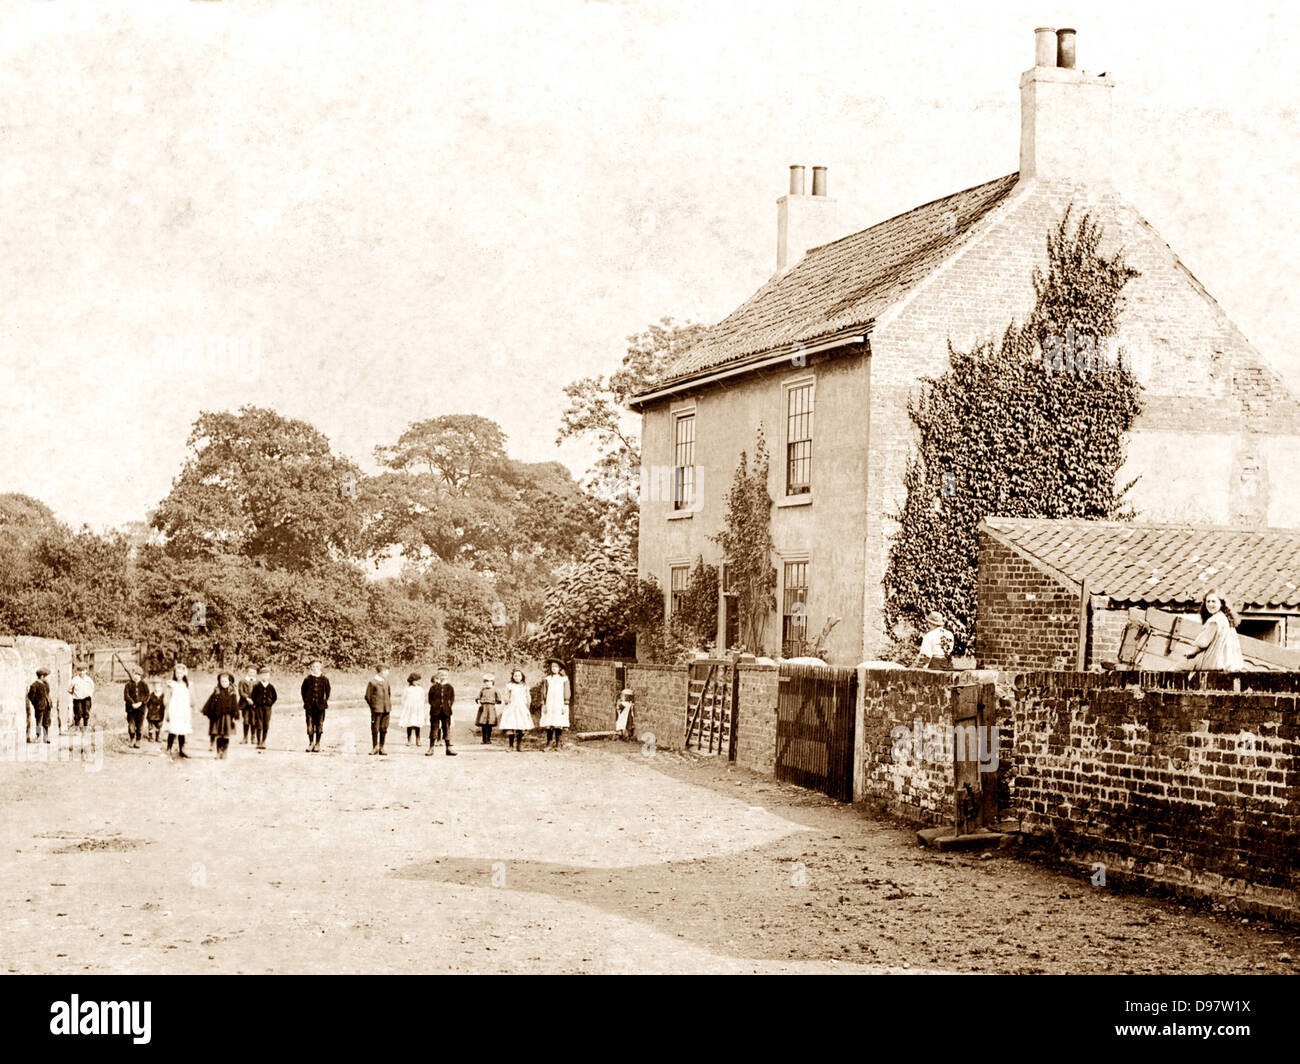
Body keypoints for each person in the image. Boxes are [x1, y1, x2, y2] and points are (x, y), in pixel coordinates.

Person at [1185, 591, 1245, 671]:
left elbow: (1203, 643)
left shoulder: (1214, 620)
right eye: (1208, 601)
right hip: (1225, 662)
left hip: (1214, 662)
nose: (1210, 604)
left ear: (1221, 604)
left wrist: (1191, 652)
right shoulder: (1226, 619)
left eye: (1213, 601)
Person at [201, 672, 240, 759]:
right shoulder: (217, 691)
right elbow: (211, 702)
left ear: (229, 682)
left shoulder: (232, 693)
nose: (224, 683)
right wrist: (208, 711)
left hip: (227, 717)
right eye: (222, 681)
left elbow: (235, 705)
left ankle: (225, 752)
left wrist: (236, 714)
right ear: (219, 682)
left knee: (226, 735)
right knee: (219, 735)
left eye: (226, 681)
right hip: (218, 717)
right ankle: (219, 752)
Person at [539, 659, 571, 750]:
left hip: (559, 704)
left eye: (556, 667)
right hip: (549, 703)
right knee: (549, 723)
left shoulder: (564, 679)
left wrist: (565, 704)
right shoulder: (547, 679)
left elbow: (567, 691)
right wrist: (544, 704)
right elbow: (544, 692)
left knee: (558, 722)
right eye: (552, 667)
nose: (554, 668)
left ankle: (558, 744)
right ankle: (548, 743)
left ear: (559, 668)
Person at [163, 663, 193, 759]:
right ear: (174, 674)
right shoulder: (171, 684)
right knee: (173, 729)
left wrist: (192, 706)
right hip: (174, 709)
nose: (179, 675)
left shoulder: (187, 685)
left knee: (182, 730)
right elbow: (167, 697)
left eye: (181, 673)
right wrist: (167, 708)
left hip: (183, 709)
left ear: (184, 674)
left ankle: (182, 749)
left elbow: (190, 697)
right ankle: (169, 748)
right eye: (177, 673)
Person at [301, 660, 331, 753]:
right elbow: (303, 691)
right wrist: (306, 701)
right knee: (310, 724)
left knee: (319, 725)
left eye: (317, 667)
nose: (315, 669)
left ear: (320, 668)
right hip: (310, 706)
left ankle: (318, 743)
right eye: (313, 667)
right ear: (311, 668)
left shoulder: (324, 679)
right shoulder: (307, 679)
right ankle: (311, 743)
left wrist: (324, 701)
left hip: (320, 706)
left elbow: (328, 691)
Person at [499, 668, 533, 751]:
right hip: (512, 707)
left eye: (519, 675)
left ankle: (519, 745)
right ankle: (510, 746)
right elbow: (506, 695)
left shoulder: (525, 686)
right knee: (511, 726)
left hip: (522, 707)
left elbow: (528, 696)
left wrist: (528, 703)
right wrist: (506, 700)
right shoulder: (509, 685)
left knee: (521, 727)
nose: (517, 677)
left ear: (522, 677)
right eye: (515, 676)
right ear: (513, 677)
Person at [426, 668, 457, 757]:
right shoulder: (433, 687)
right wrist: (435, 705)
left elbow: (452, 699)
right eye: (441, 675)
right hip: (435, 712)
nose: (443, 676)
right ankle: (431, 748)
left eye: (445, 675)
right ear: (438, 676)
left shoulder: (450, 687)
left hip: (446, 712)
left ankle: (448, 748)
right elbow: (430, 699)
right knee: (434, 729)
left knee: (446, 729)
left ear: (447, 676)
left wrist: (448, 706)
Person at [365, 666, 392, 756]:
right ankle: (374, 747)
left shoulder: (386, 681)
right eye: (386, 671)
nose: (388, 673)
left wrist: (387, 705)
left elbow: (389, 694)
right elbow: (367, 697)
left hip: (386, 709)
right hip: (377, 710)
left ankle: (382, 747)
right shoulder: (372, 682)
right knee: (375, 729)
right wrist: (374, 707)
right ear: (381, 672)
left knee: (384, 728)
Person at [251, 666, 277, 751]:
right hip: (259, 708)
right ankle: (258, 742)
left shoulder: (271, 687)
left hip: (267, 708)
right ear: (260, 676)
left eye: (267, 675)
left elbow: (275, 697)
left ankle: (264, 741)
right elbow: (253, 696)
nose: (265, 677)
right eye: (263, 675)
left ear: (269, 676)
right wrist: (256, 704)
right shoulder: (257, 686)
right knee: (259, 724)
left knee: (266, 724)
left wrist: (270, 704)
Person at [123, 669, 149, 749]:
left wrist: (141, 702)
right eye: (135, 674)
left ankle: (138, 740)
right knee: (131, 725)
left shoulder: (144, 684)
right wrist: (132, 703)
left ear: (140, 675)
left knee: (140, 725)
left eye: (138, 674)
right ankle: (132, 739)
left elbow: (147, 695)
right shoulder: (128, 684)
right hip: (131, 708)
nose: (136, 676)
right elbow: (126, 695)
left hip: (141, 709)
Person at [27, 668, 52, 744]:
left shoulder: (46, 684)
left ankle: (46, 737)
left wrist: (49, 702)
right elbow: (31, 696)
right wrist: (36, 704)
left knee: (46, 722)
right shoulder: (34, 685)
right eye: (44, 676)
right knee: (39, 722)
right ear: (41, 676)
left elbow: (48, 693)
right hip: (39, 707)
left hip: (47, 706)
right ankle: (38, 736)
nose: (45, 678)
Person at [399, 672, 424, 745]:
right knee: (409, 723)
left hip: (417, 709)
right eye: (415, 680)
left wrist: (421, 706)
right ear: (411, 681)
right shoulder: (407, 689)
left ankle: (418, 739)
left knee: (417, 724)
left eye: (418, 680)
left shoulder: (420, 689)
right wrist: (405, 706)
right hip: (409, 708)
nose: (417, 682)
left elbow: (422, 698)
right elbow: (403, 698)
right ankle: (409, 740)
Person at [475, 674, 501, 744]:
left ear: (493, 682)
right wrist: (478, 701)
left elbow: (499, 700)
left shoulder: (495, 690)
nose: (488, 683)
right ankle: (483, 739)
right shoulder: (482, 690)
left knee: (489, 724)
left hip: (491, 708)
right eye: (486, 682)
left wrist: (495, 702)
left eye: (490, 682)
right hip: (483, 708)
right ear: (484, 682)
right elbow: (478, 697)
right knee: (483, 724)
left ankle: (488, 739)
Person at [69, 664, 94, 731]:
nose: (81, 672)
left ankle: (85, 728)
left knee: (86, 713)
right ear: (77, 671)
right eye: (80, 671)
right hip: (78, 699)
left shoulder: (88, 680)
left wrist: (88, 694)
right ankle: (76, 728)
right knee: (78, 714)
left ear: (86, 671)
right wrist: (75, 695)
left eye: (83, 670)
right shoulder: (75, 680)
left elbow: (92, 688)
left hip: (86, 698)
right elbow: (70, 689)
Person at [237, 667, 257, 744]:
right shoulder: (242, 681)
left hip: (254, 705)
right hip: (245, 704)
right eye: (250, 672)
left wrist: (254, 700)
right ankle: (245, 738)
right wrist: (247, 699)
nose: (252, 674)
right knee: (246, 721)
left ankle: (253, 737)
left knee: (253, 721)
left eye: (254, 672)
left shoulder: (257, 682)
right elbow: (241, 692)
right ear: (247, 672)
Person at [144, 679, 166, 743]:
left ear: (161, 688)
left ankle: (157, 737)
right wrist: (150, 708)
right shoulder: (151, 695)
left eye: (158, 687)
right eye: (155, 687)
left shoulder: (163, 696)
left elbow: (165, 703)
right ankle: (151, 737)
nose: (157, 688)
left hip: (160, 713)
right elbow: (147, 703)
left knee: (158, 726)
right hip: (152, 713)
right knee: (151, 726)